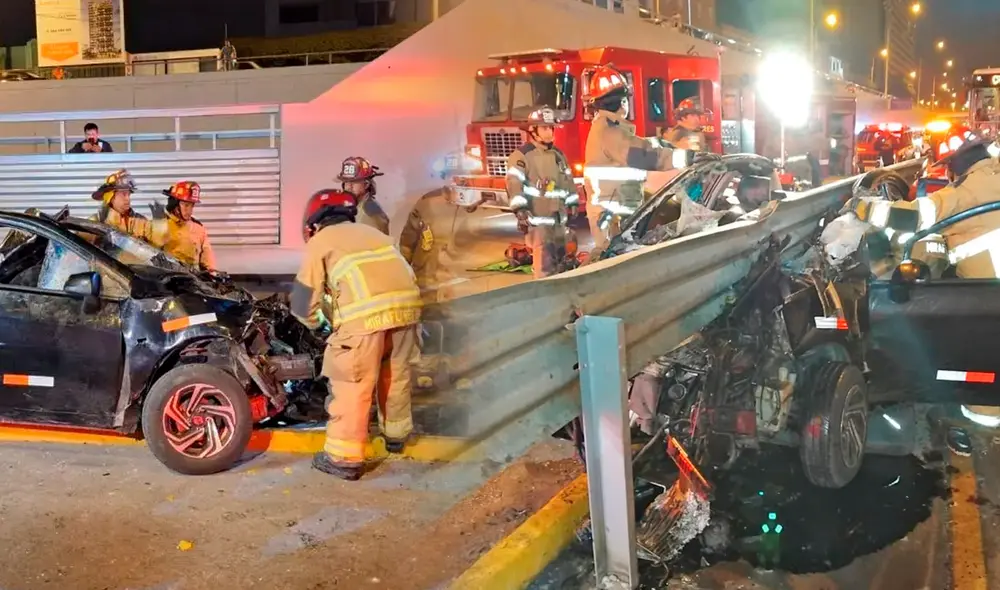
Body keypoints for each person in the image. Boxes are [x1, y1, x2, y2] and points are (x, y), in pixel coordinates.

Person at [852, 131, 1000, 456]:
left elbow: (914, 217)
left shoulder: (968, 191)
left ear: (957, 164)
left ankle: (978, 433)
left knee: (981, 363)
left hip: (989, 301)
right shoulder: (993, 177)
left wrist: (863, 207)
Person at [291, 189, 422, 481]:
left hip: (365, 320)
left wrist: (319, 326)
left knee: (353, 384)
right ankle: (396, 436)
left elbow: (302, 303)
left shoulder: (321, 241)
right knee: (395, 373)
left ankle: (343, 459)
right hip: (408, 310)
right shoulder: (373, 233)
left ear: (315, 221)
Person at [582, 64, 713, 249]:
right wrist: (686, 158)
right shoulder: (609, 132)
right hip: (612, 217)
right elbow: (643, 154)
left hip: (617, 213)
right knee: (619, 269)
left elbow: (643, 145)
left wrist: (666, 145)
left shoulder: (609, 129)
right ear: (623, 103)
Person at [504, 106, 577, 278]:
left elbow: (568, 180)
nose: (550, 132)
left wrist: (573, 202)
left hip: (559, 221)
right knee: (544, 267)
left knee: (562, 264)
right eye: (545, 128)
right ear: (533, 130)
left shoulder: (558, 155)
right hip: (539, 223)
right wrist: (520, 209)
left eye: (551, 128)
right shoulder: (522, 156)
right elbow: (514, 183)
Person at [337, 156, 433, 265]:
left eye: (354, 182)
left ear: (366, 184)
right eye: (346, 182)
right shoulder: (353, 208)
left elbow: (375, 251)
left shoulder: (370, 213)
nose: (349, 186)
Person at [145, 181, 216, 271]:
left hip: (194, 281)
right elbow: (149, 255)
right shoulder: (160, 225)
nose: (189, 211)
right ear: (174, 204)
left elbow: (208, 259)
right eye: (186, 205)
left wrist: (213, 274)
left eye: (192, 206)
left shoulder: (198, 228)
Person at [88, 168, 149, 237]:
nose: (128, 199)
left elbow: (157, 244)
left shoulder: (141, 221)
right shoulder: (95, 222)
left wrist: (160, 224)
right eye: (123, 194)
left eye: (129, 194)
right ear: (111, 198)